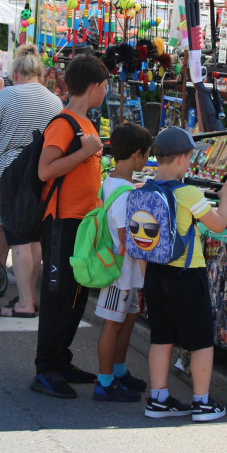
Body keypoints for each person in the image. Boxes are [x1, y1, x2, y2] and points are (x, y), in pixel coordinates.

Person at [30, 54, 109, 399]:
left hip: (82, 223)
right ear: (93, 87)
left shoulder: (85, 123)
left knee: (75, 297)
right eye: (104, 87)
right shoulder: (64, 123)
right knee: (57, 294)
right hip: (62, 220)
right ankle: (46, 369)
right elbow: (45, 171)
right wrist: (85, 152)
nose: (105, 93)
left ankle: (60, 360)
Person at [142, 127, 227, 423]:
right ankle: (202, 403)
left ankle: (158, 400)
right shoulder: (188, 193)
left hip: (155, 274)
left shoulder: (145, 189)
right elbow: (218, 224)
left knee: (161, 337)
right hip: (186, 273)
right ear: (182, 159)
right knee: (200, 340)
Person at [0, 44, 64, 318]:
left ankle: (25, 302)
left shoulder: (8, 95)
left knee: (18, 238)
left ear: (17, 72)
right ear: (40, 72)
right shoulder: (54, 101)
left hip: (10, 171)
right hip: (40, 172)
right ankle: (31, 296)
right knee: (34, 236)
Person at [93, 122, 154, 402]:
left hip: (126, 272)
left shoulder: (114, 182)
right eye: (147, 155)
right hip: (119, 271)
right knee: (113, 324)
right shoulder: (124, 192)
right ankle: (104, 382)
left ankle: (118, 372)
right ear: (137, 154)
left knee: (126, 321)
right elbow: (126, 238)